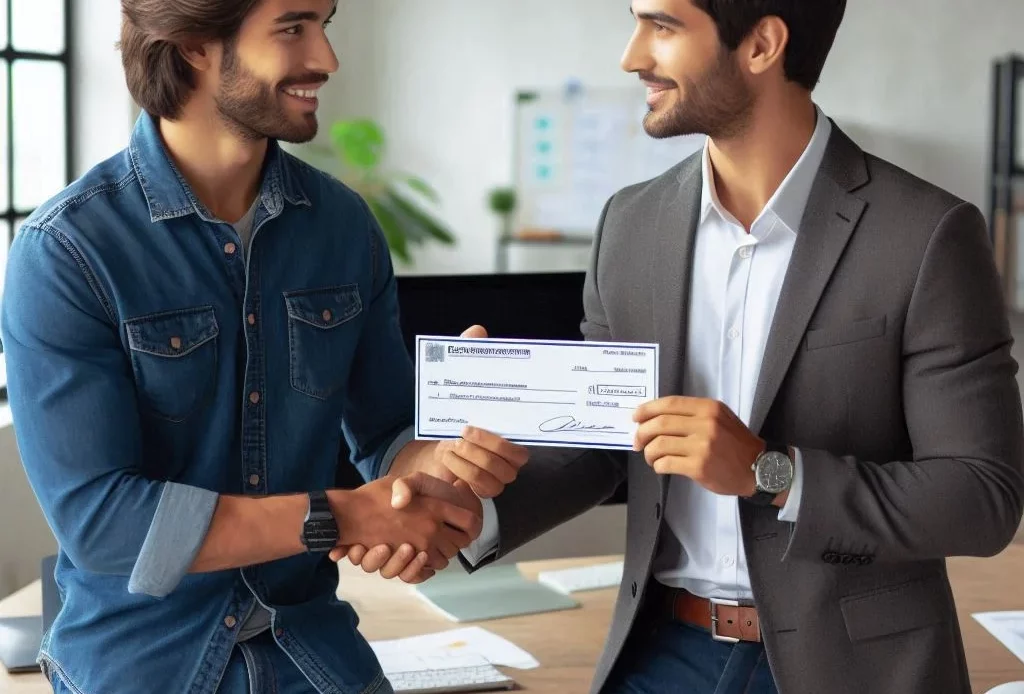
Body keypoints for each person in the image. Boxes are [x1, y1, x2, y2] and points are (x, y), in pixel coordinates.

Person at [340, 1, 1024, 692]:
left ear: (761, 44)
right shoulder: (632, 224)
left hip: (853, 668)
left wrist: (769, 472)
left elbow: (982, 495)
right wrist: (464, 509)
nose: (632, 55)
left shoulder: (927, 235)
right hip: (662, 654)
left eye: (662, 25)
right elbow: (603, 447)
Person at [0, 1, 524, 692]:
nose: (326, 60)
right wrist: (342, 514)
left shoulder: (344, 227)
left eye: (325, 26)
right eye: (293, 28)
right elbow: (103, 523)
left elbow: (388, 431)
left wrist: (440, 465)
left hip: (317, 652)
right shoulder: (68, 251)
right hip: (142, 665)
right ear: (193, 45)